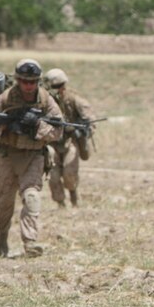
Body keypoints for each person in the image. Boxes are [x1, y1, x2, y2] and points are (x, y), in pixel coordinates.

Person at [0, 58, 64, 257]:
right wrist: (8, 126)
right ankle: (1, 239)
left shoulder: (45, 99)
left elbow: (58, 131)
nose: (28, 86)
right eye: (24, 81)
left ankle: (30, 242)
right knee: (5, 201)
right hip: (7, 155)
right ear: (17, 80)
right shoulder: (4, 99)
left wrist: (37, 126)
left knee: (32, 195)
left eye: (32, 82)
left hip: (33, 156)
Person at [44, 68, 98, 207]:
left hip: (69, 141)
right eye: (53, 87)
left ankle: (74, 197)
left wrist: (83, 128)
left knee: (69, 171)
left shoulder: (74, 99)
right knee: (53, 176)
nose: (57, 90)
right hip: (51, 142)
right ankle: (60, 203)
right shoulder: (43, 100)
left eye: (59, 86)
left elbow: (90, 118)